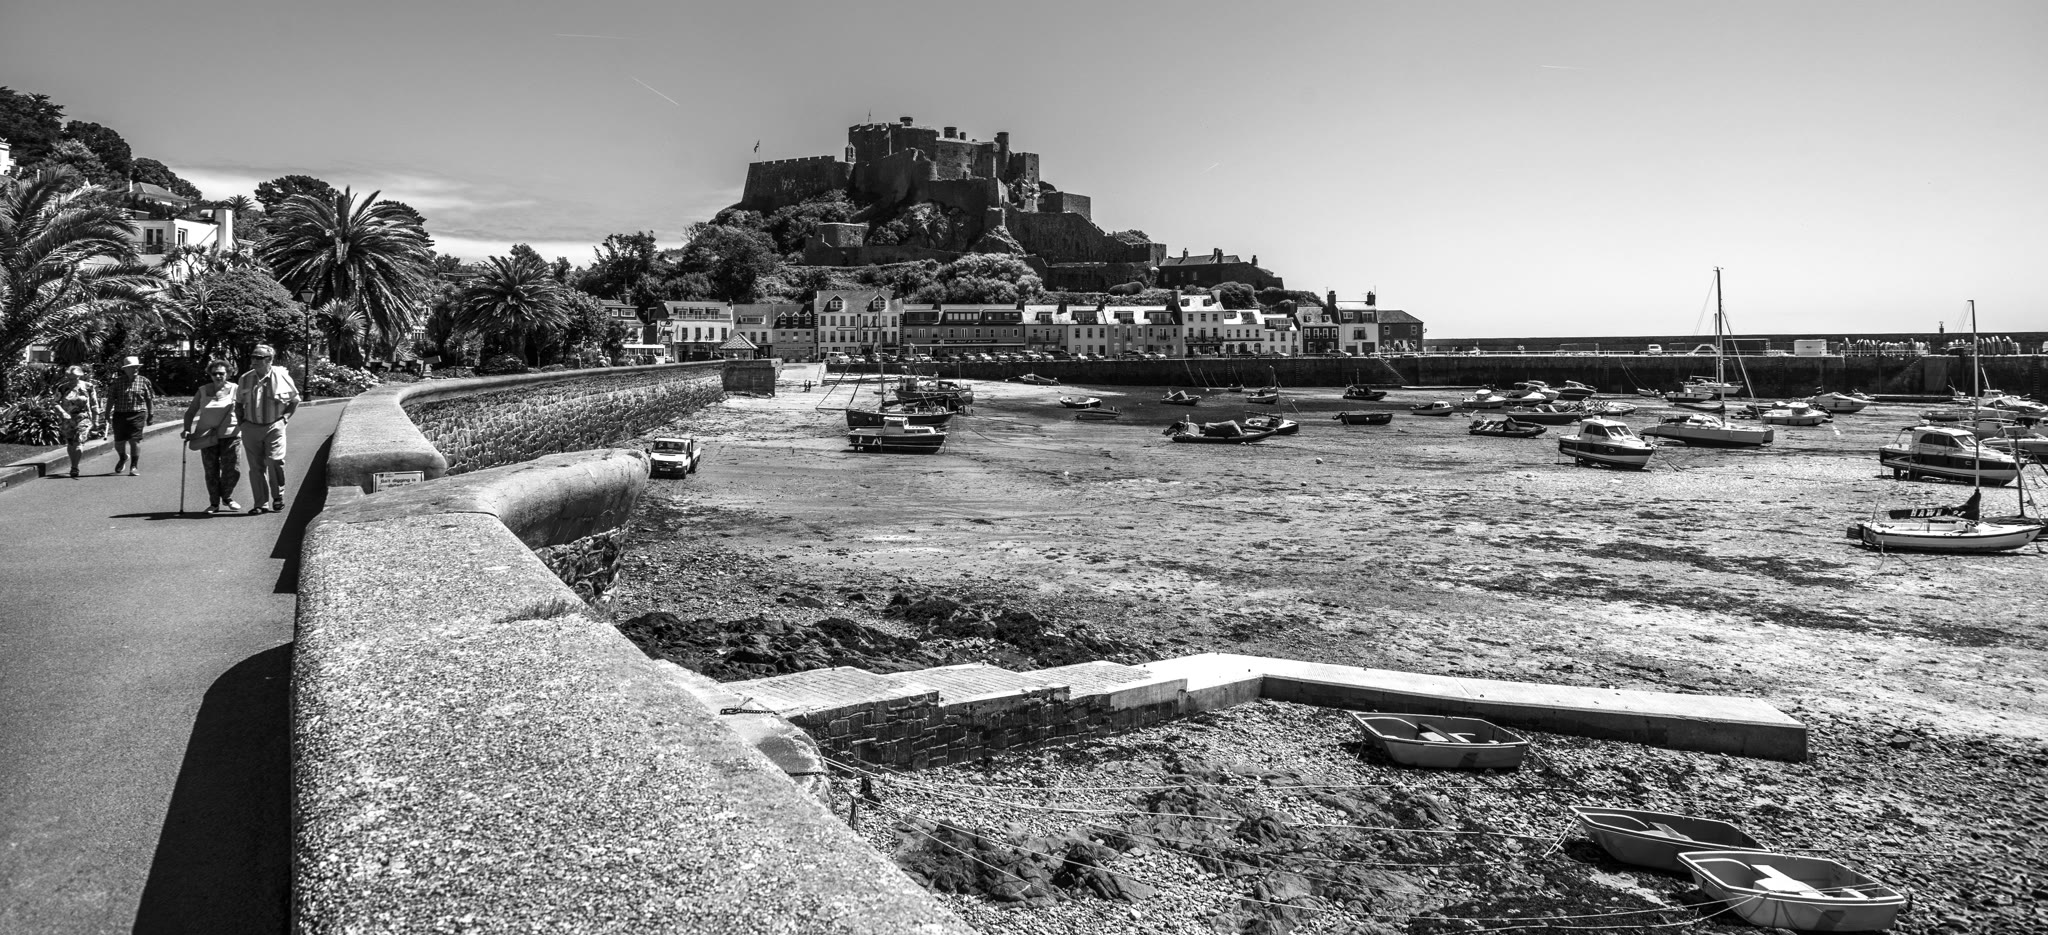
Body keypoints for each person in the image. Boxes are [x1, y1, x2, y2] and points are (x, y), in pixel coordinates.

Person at [235, 344, 299, 514]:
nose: (254, 360)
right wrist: (242, 423)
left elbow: (294, 400)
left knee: (274, 460)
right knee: (256, 467)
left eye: (259, 357)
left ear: (269, 360)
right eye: (253, 357)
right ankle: (260, 504)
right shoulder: (245, 378)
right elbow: (239, 403)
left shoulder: (281, 377)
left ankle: (278, 496)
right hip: (251, 427)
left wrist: (285, 418)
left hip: (274, 425)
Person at [181, 360, 243, 513]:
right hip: (206, 435)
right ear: (210, 374)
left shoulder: (236, 389)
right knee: (211, 470)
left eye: (221, 373)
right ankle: (214, 503)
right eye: (214, 373)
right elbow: (190, 412)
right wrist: (187, 429)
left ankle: (227, 496)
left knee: (233, 469)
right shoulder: (203, 390)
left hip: (231, 435)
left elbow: (244, 409)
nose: (218, 376)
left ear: (228, 374)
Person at [106, 355, 156, 475]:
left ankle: (134, 466)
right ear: (125, 369)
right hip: (120, 414)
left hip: (137, 414)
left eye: (136, 367)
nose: (135, 369)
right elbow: (111, 399)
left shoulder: (144, 381)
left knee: (135, 440)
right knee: (119, 442)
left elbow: (149, 399)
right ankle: (123, 457)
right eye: (132, 367)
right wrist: (107, 413)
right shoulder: (117, 382)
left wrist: (151, 414)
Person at [53, 365, 101, 478]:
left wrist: (96, 419)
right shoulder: (62, 388)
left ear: (79, 376)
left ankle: (75, 467)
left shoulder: (88, 386)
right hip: (67, 419)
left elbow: (94, 404)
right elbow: (55, 402)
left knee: (79, 441)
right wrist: (62, 413)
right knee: (71, 443)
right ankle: (73, 463)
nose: (72, 380)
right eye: (70, 377)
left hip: (83, 418)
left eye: (74, 377)